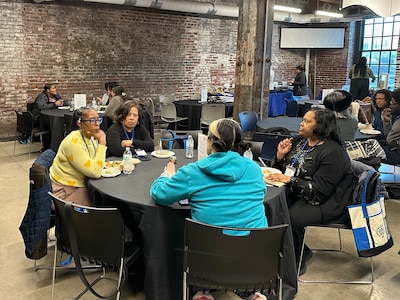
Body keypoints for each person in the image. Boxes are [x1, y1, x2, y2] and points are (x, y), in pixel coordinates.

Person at [267, 108, 354, 275]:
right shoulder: (301, 141)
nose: (301, 124)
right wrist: (279, 156)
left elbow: (319, 192)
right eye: (303, 120)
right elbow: (282, 172)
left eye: (307, 121)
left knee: (292, 217)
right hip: (300, 191)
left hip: (327, 201)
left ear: (321, 125)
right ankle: (278, 250)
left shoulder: (333, 152)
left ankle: (297, 258)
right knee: (273, 205)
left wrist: (290, 180)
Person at [150, 118, 267, 230]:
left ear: (210, 141)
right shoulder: (254, 169)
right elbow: (262, 193)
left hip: (208, 247)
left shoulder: (192, 173)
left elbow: (160, 195)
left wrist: (166, 175)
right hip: (256, 246)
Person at [49, 106, 107, 205]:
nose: (97, 124)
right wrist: (102, 143)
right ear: (80, 123)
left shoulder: (90, 137)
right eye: (92, 120)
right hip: (65, 192)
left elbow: (95, 162)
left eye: (98, 119)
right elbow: (94, 172)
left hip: (82, 185)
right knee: (105, 205)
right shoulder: (73, 142)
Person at [31, 84, 64, 150]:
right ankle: (49, 146)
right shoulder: (41, 96)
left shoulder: (56, 96)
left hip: (53, 115)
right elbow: (41, 107)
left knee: (59, 123)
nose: (55, 90)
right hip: (40, 118)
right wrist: (54, 104)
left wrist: (62, 103)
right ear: (48, 90)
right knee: (54, 124)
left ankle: (59, 145)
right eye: (53, 88)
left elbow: (62, 101)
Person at [382, 88, 400, 165]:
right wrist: (387, 121)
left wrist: (396, 143)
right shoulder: (398, 118)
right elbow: (389, 136)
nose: (390, 106)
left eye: (393, 103)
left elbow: (391, 139)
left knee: (369, 156)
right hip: (392, 148)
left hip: (397, 153)